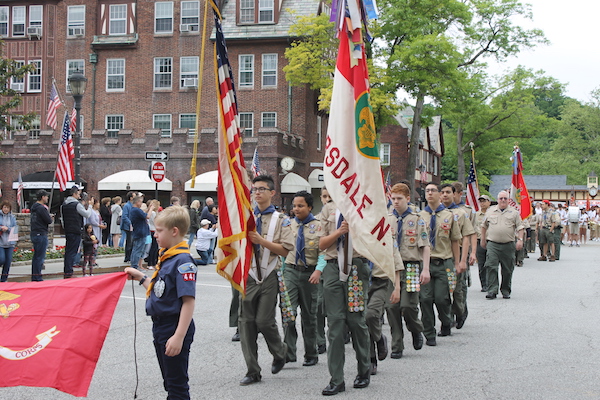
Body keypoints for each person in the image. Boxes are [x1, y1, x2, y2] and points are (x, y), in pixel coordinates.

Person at [124, 206, 197, 399]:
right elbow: (161, 290)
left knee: (177, 386)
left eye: (159, 231)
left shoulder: (183, 261)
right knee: (170, 381)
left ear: (174, 231)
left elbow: (188, 302)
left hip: (174, 326)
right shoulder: (168, 257)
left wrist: (178, 336)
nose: (155, 235)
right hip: (161, 326)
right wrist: (141, 277)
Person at [239, 175, 293, 386]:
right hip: (248, 275)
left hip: (269, 273)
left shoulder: (281, 220)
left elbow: (286, 249)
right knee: (246, 324)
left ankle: (280, 352)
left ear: (272, 193)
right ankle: (253, 370)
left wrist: (261, 241)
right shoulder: (245, 217)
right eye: (254, 189)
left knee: (263, 321)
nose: (257, 192)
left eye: (262, 189)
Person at [317, 197, 371, 395]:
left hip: (356, 267)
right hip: (332, 270)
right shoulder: (328, 209)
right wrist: (339, 231)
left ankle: (364, 369)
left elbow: (373, 239)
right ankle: (336, 379)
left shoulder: (364, 205)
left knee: (356, 321)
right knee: (336, 324)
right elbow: (321, 244)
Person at [386, 183, 430, 360]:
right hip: (391, 267)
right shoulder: (387, 219)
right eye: (393, 199)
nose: (395, 202)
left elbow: (425, 246)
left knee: (408, 306)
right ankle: (397, 344)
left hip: (411, 265)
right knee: (391, 307)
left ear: (407, 199)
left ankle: (416, 329)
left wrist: (425, 269)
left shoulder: (417, 219)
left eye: (399, 199)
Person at [419, 182, 462, 346]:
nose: (430, 193)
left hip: (444, 262)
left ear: (439, 194)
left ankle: (446, 321)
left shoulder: (449, 216)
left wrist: (457, 263)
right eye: (427, 191)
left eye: (433, 190)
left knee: (442, 298)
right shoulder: (420, 216)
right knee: (425, 299)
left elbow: (454, 240)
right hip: (425, 264)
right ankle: (429, 333)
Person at [282, 190, 320, 367]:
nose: (296, 209)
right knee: (288, 313)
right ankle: (289, 353)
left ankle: (311, 353)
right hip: (290, 271)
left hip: (309, 274)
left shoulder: (319, 225)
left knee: (309, 315)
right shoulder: (288, 225)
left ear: (309, 207)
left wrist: (319, 271)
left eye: (300, 206)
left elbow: (325, 252)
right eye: (294, 206)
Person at [440, 183, 474, 330]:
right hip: (442, 254)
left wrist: (465, 258)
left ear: (454, 194)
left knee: (457, 288)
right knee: (443, 289)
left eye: (448, 192)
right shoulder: (436, 213)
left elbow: (467, 236)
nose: (445, 195)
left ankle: (460, 311)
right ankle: (448, 319)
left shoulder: (461, 213)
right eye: (442, 192)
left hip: (458, 253)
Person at [480, 190, 524, 299]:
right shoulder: (490, 211)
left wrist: (520, 240)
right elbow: (484, 226)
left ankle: (505, 290)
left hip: (508, 244)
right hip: (493, 244)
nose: (503, 200)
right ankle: (492, 290)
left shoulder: (514, 212)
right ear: (497, 199)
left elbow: (520, 227)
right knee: (491, 266)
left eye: (505, 198)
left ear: (509, 200)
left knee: (507, 269)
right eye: (501, 198)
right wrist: (482, 239)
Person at [61, 186, 92, 278]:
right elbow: (86, 214)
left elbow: (62, 219)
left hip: (68, 230)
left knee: (68, 251)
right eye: (78, 194)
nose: (79, 196)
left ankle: (67, 270)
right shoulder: (76, 204)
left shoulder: (64, 205)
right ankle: (69, 272)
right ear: (74, 194)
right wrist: (89, 205)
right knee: (73, 252)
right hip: (76, 230)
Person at [30, 190, 53, 282]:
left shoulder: (33, 207)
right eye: (46, 196)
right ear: (42, 197)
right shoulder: (41, 208)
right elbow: (48, 220)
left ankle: (34, 276)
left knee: (36, 256)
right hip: (41, 233)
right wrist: (50, 217)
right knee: (40, 257)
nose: (47, 198)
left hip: (34, 233)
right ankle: (38, 277)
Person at [130, 195, 152, 270]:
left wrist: (148, 209)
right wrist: (151, 209)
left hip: (137, 231)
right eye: (141, 202)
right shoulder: (137, 210)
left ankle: (134, 265)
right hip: (141, 232)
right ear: (137, 202)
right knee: (138, 250)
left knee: (135, 249)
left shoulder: (133, 210)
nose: (141, 204)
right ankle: (135, 266)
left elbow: (143, 214)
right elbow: (147, 216)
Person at [475, 195, 492, 291]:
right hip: (479, 241)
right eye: (480, 201)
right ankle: (484, 284)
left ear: (489, 202)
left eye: (484, 201)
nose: (482, 203)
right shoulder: (476, 215)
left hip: (491, 241)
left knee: (491, 264)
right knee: (481, 264)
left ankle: (491, 283)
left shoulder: (493, 214)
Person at [0, 200, 17, 282]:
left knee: (8, 262)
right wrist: (1, 228)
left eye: (7, 207)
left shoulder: (12, 218)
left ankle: (4, 279)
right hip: (1, 243)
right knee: (1, 259)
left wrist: (8, 229)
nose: (6, 209)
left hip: (10, 243)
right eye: (4, 207)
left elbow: (15, 229)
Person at [86, 197, 106, 262]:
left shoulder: (97, 211)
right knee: (94, 245)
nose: (99, 205)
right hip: (94, 229)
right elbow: (93, 221)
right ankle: (92, 261)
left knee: (96, 244)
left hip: (98, 229)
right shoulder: (91, 211)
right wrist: (100, 225)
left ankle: (94, 260)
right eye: (98, 203)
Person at [121, 191, 135, 261]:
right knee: (129, 242)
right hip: (128, 226)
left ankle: (130, 257)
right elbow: (124, 216)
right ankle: (127, 257)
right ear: (131, 198)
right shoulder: (127, 205)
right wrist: (130, 223)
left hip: (132, 226)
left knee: (131, 242)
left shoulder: (132, 205)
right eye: (134, 196)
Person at [147, 199, 160, 269]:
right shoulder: (154, 213)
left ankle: (151, 262)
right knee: (154, 247)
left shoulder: (151, 212)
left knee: (153, 247)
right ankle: (151, 262)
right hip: (153, 229)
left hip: (151, 229)